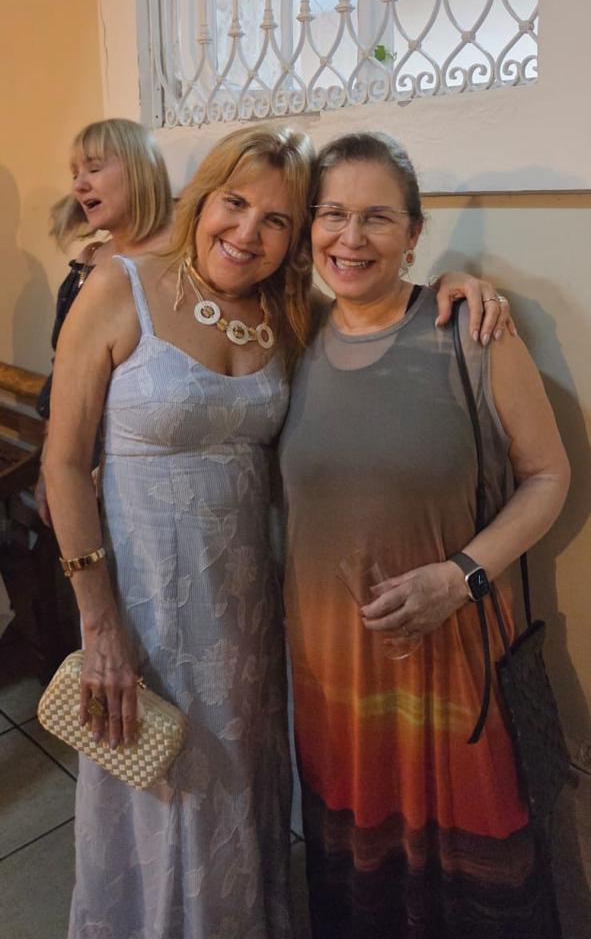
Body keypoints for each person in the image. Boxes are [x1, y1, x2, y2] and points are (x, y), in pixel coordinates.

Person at [43, 123, 513, 939]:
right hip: (144, 614)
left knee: (241, 797)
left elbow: (375, 305)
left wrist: (456, 282)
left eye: (276, 221)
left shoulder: (287, 316)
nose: (246, 232)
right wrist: (100, 627)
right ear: (201, 200)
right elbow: (61, 463)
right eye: (233, 204)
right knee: (153, 792)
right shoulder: (120, 287)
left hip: (250, 621)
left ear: (295, 241)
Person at [279, 131, 570, 939]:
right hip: (331, 673)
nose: (350, 237)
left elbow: (548, 476)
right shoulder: (291, 338)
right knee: (359, 878)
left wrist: (459, 576)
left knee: (473, 883)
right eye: (331, 214)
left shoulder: (468, 332)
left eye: (377, 217)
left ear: (413, 232)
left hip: (453, 669)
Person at [35, 118, 172, 525]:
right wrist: (50, 466)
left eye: (94, 169)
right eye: (75, 174)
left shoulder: (180, 261)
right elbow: (63, 375)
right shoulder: (88, 262)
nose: (79, 185)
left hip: (150, 483)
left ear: (140, 169)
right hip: (80, 468)